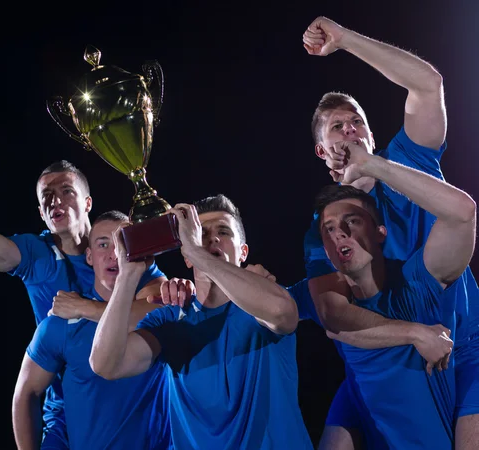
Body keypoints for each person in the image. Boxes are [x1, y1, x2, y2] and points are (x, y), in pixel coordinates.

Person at [302, 17, 479, 448]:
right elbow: (335, 317)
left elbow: (427, 85)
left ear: (370, 132)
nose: (350, 131)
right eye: (337, 128)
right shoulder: (323, 227)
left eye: (356, 122)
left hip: (461, 345)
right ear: (322, 151)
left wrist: (344, 39)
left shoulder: (406, 161)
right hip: (382, 361)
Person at [0, 121, 167, 448]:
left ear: (87, 202)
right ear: (42, 214)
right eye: (47, 196)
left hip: (126, 403)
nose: (55, 200)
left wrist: (85, 308)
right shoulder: (38, 255)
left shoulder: (126, 256)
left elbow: (161, 314)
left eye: (66, 191)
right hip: (66, 407)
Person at [89, 194, 313, 450]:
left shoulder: (262, 301)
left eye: (224, 232)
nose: (213, 238)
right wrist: (128, 275)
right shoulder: (171, 318)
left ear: (243, 252)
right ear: (185, 257)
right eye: (201, 233)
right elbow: (105, 364)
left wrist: (197, 250)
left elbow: (284, 314)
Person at [314, 138, 476, 448]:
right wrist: (416, 334)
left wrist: (373, 164)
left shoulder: (415, 284)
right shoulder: (323, 299)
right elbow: (327, 319)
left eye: (352, 221)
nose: (340, 233)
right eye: (329, 229)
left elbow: (463, 213)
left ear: (380, 233)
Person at [12, 211, 179, 449]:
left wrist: (85, 307)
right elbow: (26, 392)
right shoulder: (60, 324)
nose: (114, 254)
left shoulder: (160, 309)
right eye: (103, 245)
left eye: (123, 244)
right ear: (89, 256)